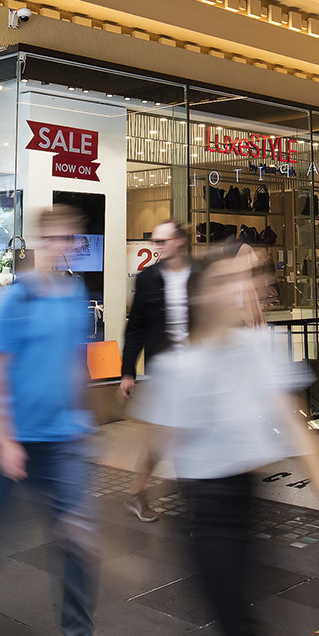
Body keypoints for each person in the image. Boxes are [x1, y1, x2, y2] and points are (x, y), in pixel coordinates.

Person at [135, 243, 319, 636]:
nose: (252, 286)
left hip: (249, 517)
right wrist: (137, 487)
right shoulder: (179, 366)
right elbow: (157, 441)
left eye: (254, 275)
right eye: (236, 278)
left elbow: (299, 429)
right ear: (206, 294)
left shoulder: (263, 347)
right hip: (206, 524)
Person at [0, 206, 130, 636]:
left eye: (74, 240)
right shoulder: (12, 299)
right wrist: (5, 438)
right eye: (60, 238)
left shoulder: (73, 295)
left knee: (78, 539)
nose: (66, 246)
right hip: (15, 439)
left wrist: (87, 424)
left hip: (64, 440)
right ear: (42, 241)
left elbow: (72, 364)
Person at [118, 219, 191, 521]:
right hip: (164, 368)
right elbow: (135, 327)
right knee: (165, 436)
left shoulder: (197, 275)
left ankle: (192, 502)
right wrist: (127, 372)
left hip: (196, 367)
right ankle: (136, 492)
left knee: (187, 432)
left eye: (163, 241)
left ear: (180, 241)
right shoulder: (148, 278)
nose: (157, 247)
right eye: (155, 241)